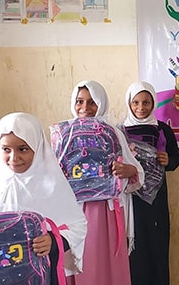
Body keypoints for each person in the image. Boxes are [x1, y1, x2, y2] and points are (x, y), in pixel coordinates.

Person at [0, 112, 87, 284]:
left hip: (40, 276)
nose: (14, 158)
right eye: (6, 149)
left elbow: (78, 226)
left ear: (37, 147)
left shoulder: (52, 184)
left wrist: (53, 241)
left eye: (23, 149)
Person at [63, 80, 144, 285]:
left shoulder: (112, 134)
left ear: (101, 103)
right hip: (73, 211)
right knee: (79, 262)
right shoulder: (65, 136)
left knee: (103, 265)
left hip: (105, 213)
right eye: (80, 101)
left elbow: (137, 172)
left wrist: (128, 171)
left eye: (92, 102)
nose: (85, 108)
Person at [122, 81, 179, 285]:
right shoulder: (120, 131)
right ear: (129, 103)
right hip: (131, 200)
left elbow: (176, 158)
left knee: (157, 247)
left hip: (156, 201)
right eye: (136, 102)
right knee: (134, 249)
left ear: (153, 103)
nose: (141, 107)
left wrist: (168, 161)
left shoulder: (163, 129)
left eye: (146, 102)